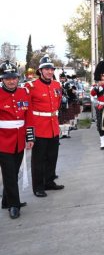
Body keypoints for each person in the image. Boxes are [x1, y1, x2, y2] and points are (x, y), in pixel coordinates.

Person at [25, 55, 64, 198]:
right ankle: (38, 187)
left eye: (51, 69)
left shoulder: (57, 85)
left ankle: (49, 181)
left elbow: (58, 103)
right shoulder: (31, 86)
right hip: (39, 127)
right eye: (46, 69)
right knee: (38, 159)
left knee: (52, 156)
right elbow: (27, 109)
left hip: (53, 125)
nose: (49, 72)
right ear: (40, 71)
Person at [0, 61, 35, 218]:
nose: (11, 81)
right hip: (3, 140)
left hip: (20, 138)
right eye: (7, 78)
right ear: (2, 79)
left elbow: (29, 116)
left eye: (13, 77)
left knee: (14, 172)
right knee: (8, 173)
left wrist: (30, 137)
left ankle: (6, 200)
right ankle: (14, 205)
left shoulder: (24, 93)